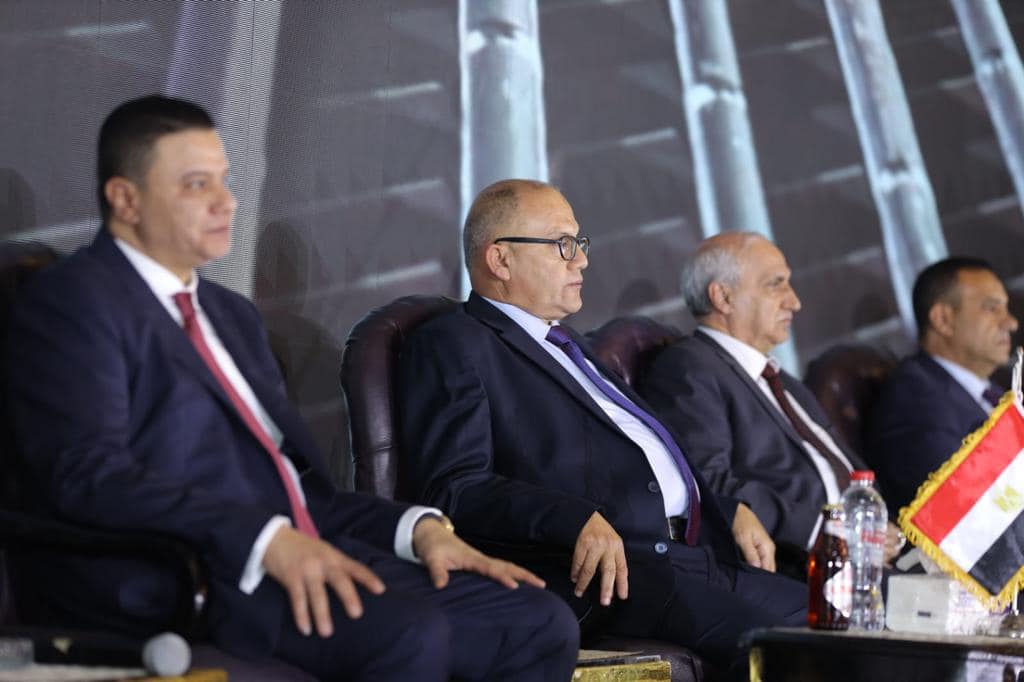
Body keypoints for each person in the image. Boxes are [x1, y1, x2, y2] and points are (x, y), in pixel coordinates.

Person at [3, 96, 579, 682]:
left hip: (296, 543)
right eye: (197, 185)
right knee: (407, 633)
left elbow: (303, 493)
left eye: (224, 180)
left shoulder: (229, 315)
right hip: (188, 566)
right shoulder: (73, 302)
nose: (225, 201)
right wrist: (264, 539)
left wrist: (417, 530)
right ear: (126, 199)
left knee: (537, 622)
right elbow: (89, 474)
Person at [397, 179, 806, 677]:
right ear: (500, 260)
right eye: (563, 244)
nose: (582, 261)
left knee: (843, 630)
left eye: (580, 243)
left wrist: (726, 508)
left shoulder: (573, 346)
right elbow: (454, 487)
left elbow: (641, 455)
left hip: (697, 554)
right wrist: (571, 518)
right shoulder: (454, 343)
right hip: (616, 572)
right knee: (774, 651)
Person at [639, 232, 901, 573]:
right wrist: (827, 532)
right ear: (723, 297)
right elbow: (706, 481)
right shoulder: (689, 367)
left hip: (869, 554)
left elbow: (838, 465)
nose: (794, 302)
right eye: (775, 285)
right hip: (801, 564)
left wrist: (878, 528)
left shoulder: (779, 378)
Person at [866, 257, 1019, 518]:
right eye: (992, 309)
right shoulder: (915, 402)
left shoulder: (997, 389)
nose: (1011, 322)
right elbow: (963, 509)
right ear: (943, 320)